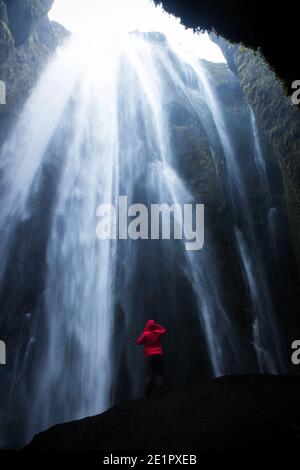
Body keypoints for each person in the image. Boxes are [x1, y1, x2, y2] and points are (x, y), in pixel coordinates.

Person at [136, 319, 167, 398]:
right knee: (159, 374)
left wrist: (145, 340)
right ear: (154, 325)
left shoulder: (145, 334)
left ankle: (148, 394)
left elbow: (138, 342)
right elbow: (164, 330)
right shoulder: (158, 332)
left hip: (150, 356)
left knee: (149, 375)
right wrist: (157, 326)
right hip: (159, 355)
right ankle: (160, 393)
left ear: (147, 325)